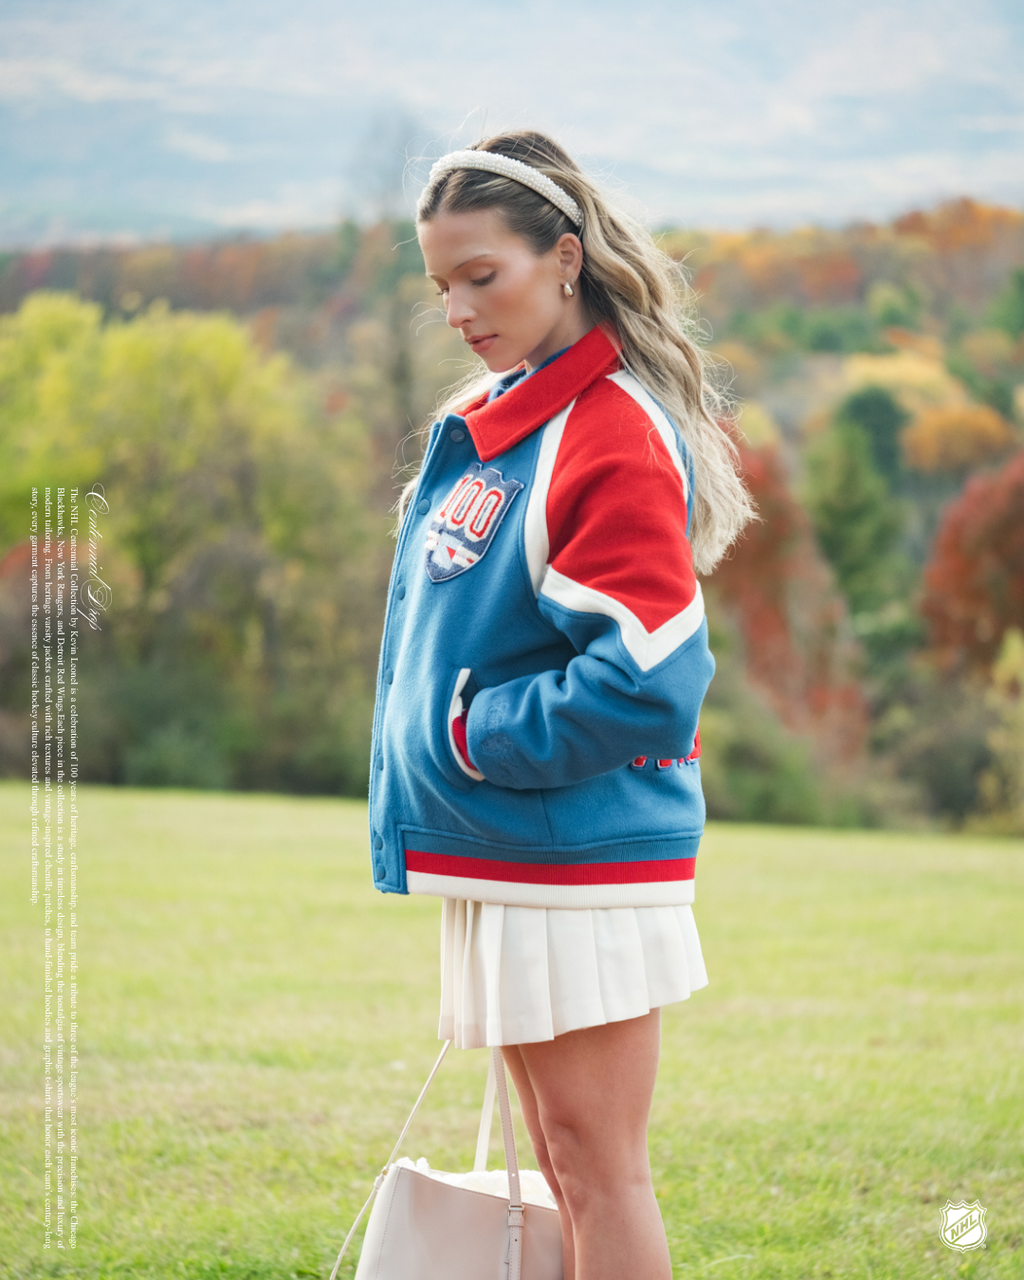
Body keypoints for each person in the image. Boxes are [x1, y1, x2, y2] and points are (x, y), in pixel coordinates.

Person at [367, 130, 755, 1280]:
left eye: (482, 275)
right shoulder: (506, 416)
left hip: (572, 859)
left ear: (565, 259)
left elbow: (649, 676)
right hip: (515, 851)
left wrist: (463, 736)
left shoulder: (605, 429)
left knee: (597, 1169)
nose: (458, 310)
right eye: (442, 285)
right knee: (562, 1163)